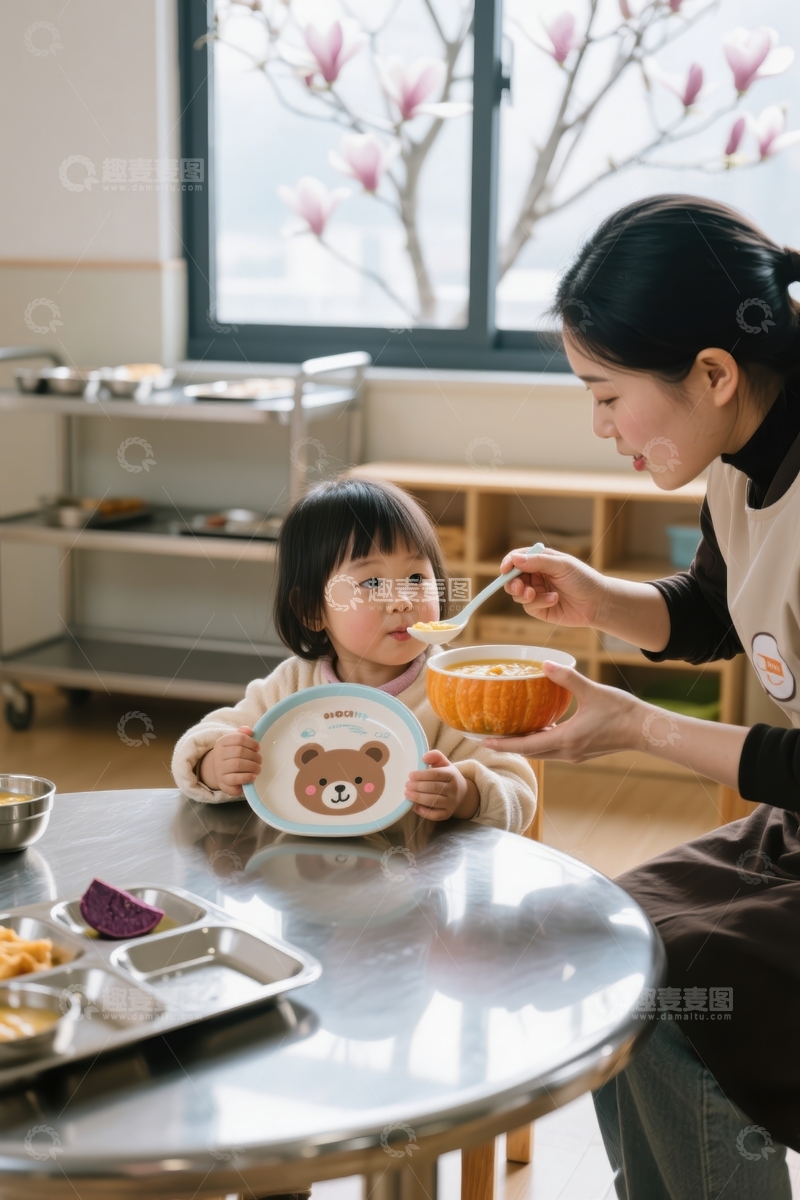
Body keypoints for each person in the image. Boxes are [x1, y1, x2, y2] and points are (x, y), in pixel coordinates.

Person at [485, 195, 800, 1199]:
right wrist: (595, 597)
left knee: (677, 988)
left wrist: (630, 726)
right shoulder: (737, 450)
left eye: (607, 394)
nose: (599, 426)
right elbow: (713, 610)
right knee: (612, 940)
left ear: (711, 371)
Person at [172, 477, 536, 832]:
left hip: (417, 876)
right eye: (372, 583)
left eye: (415, 578)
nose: (402, 600)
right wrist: (214, 766)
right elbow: (206, 738)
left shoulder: (457, 688)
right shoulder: (292, 686)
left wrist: (465, 795)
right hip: (306, 871)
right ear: (313, 610)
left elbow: (517, 793)